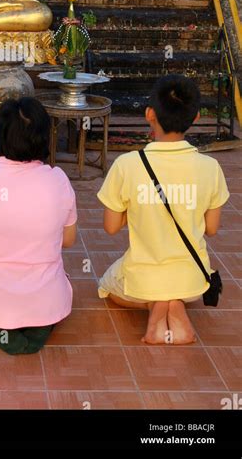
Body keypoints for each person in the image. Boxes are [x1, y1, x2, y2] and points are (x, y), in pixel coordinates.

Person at [98, 75, 229, 345]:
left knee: (107, 288)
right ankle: (174, 303)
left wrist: (137, 203)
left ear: (149, 114)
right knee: (176, 285)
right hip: (193, 281)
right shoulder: (210, 167)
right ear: (195, 118)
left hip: (143, 280)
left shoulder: (127, 165)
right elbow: (212, 229)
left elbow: (111, 227)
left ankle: (154, 304)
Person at [0, 97, 77, 355]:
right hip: (48, 300)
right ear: (45, 137)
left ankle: (2, 325)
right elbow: (67, 241)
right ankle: (37, 324)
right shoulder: (59, 180)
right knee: (54, 280)